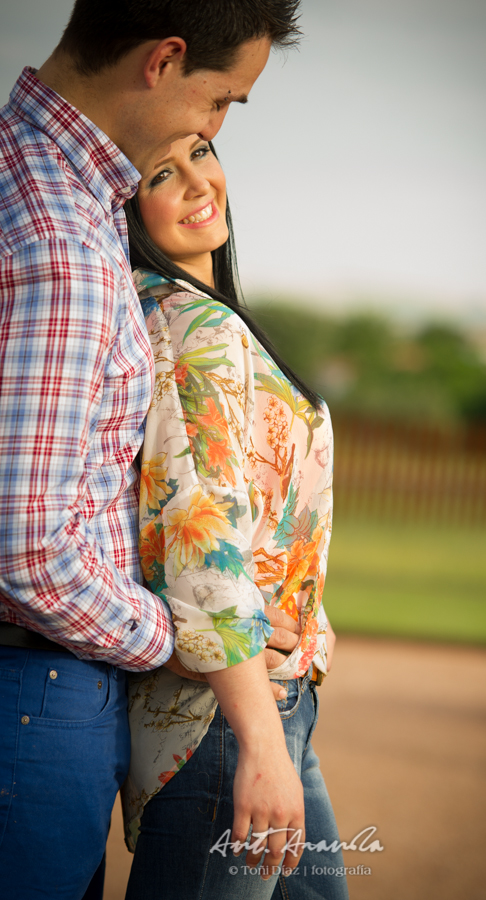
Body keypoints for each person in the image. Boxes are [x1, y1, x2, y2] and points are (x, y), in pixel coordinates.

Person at [0, 3, 303, 899]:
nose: (213, 129)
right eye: (221, 101)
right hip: (39, 684)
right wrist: (180, 637)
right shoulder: (62, 237)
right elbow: (29, 551)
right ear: (164, 59)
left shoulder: (49, 191)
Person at [120, 135, 349, 900]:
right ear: (127, 205)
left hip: (262, 697)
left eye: (201, 153)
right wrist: (257, 738)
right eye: (161, 174)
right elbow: (199, 529)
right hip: (223, 717)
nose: (195, 182)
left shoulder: (203, 315)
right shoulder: (191, 326)